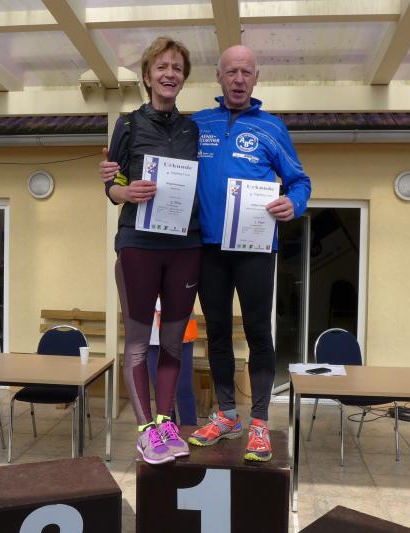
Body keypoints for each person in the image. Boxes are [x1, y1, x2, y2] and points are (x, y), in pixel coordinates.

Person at [102, 45, 311, 462]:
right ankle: (227, 414)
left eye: (246, 72)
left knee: (258, 332)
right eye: (231, 71)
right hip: (205, 246)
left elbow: (299, 180)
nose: (239, 79)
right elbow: (139, 165)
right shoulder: (198, 123)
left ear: (256, 78)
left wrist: (295, 203)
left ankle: (259, 422)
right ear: (218, 76)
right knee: (216, 332)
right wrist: (115, 179)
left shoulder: (272, 128)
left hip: (253, 246)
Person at [104, 36, 201, 464]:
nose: (169, 74)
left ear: (183, 78)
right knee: (140, 343)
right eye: (162, 67)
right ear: (147, 76)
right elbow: (113, 182)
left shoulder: (193, 129)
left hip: (185, 246)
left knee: (174, 343)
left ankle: (166, 424)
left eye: (177, 68)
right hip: (139, 244)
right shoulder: (127, 124)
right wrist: (124, 191)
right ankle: (146, 432)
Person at [147, 297, 198, 426]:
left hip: (181, 332)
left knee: (183, 388)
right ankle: (169, 429)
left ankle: (189, 429)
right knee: (161, 391)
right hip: (151, 336)